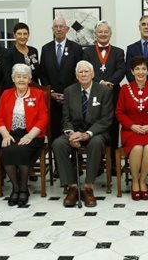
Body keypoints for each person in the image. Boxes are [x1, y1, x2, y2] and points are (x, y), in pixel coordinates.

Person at [52, 60, 113, 207]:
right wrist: (71, 134)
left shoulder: (104, 91)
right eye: (80, 72)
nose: (84, 74)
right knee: (58, 144)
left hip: (96, 132)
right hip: (75, 131)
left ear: (92, 74)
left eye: (86, 71)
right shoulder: (69, 91)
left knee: (96, 143)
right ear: (76, 75)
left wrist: (87, 134)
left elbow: (106, 119)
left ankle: (88, 187)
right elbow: (66, 118)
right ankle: (72, 187)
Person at [0, 64, 49, 207]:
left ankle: (24, 189)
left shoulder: (37, 94)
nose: (21, 80)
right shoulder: (6, 94)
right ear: (13, 79)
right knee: (7, 149)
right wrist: (5, 135)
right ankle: (16, 188)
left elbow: (43, 117)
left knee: (22, 149)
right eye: (18, 77)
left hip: (33, 135)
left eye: (25, 77)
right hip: (11, 134)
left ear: (29, 79)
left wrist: (30, 135)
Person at [115, 56, 148, 200]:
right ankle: (135, 181)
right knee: (137, 148)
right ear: (132, 71)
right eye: (137, 69)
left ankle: (143, 181)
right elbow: (119, 112)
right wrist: (132, 126)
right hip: (131, 130)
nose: (141, 72)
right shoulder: (125, 89)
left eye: (143, 68)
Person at [82, 20, 125, 154]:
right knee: (94, 124)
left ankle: (112, 162)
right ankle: (98, 162)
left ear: (110, 34)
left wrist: (109, 83)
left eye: (106, 31)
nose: (103, 34)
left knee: (112, 125)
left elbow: (121, 70)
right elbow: (86, 70)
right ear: (95, 34)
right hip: (93, 92)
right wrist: (101, 83)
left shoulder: (118, 51)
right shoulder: (87, 52)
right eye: (100, 32)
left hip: (113, 93)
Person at [40, 18, 83, 143]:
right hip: (52, 99)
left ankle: (77, 161)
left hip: (72, 98)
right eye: (56, 27)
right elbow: (43, 73)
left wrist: (69, 92)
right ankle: (57, 161)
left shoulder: (76, 48)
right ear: (52, 29)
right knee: (55, 130)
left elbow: (79, 72)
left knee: (74, 130)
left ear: (67, 29)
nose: (59, 29)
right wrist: (51, 92)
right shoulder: (46, 49)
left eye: (61, 26)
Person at [2, 22, 41, 89]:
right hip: (17, 90)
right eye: (19, 34)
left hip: (34, 89)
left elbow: (37, 73)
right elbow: (8, 77)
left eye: (25, 34)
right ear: (14, 35)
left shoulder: (33, 50)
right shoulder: (8, 53)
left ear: (28, 35)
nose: (22, 37)